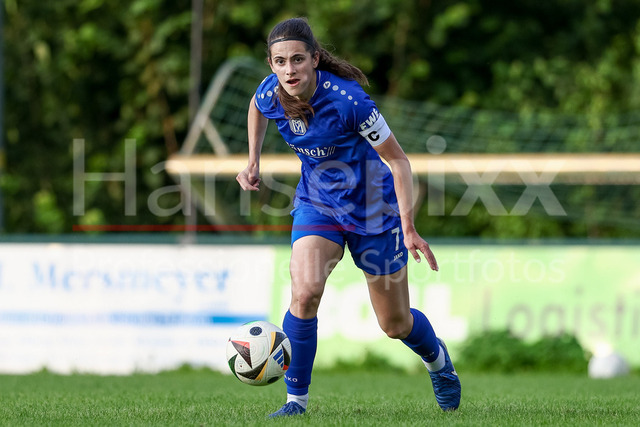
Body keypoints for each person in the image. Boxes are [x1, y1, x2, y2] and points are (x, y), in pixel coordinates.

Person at [236, 17, 461, 417]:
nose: (290, 70)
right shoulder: (271, 91)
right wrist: (253, 159)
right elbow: (256, 105)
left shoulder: (349, 102)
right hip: (318, 204)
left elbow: (399, 161)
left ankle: (438, 362)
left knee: (395, 324)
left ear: (315, 59)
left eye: (298, 59)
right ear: (271, 64)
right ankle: (295, 403)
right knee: (304, 293)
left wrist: (408, 227)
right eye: (280, 62)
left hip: (375, 210)